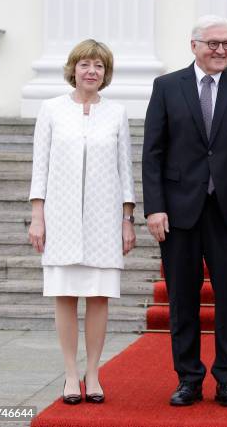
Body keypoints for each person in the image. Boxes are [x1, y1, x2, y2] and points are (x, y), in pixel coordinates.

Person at [142, 15, 227, 408]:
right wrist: (155, 208)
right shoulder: (166, 86)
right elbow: (153, 153)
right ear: (193, 45)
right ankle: (188, 378)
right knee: (182, 298)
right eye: (213, 44)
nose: (221, 51)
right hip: (178, 212)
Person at [28, 39, 136, 405]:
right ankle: (70, 375)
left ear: (106, 74)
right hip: (61, 215)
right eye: (86, 64)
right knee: (65, 295)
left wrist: (127, 218)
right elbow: (39, 166)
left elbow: (125, 169)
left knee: (99, 295)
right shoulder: (52, 110)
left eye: (99, 66)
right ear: (73, 68)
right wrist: (37, 216)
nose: (92, 71)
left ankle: (93, 373)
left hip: (104, 218)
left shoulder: (117, 112)